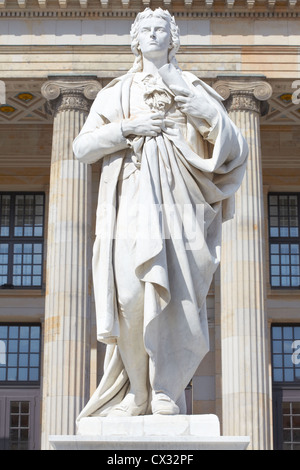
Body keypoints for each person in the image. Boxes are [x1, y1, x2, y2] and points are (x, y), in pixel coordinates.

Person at [73, 7, 248, 419]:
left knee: (180, 301)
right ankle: (137, 393)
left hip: (180, 202)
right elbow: (82, 149)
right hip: (132, 200)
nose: (153, 35)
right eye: (146, 30)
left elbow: (234, 147)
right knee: (130, 298)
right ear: (135, 39)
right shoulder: (115, 93)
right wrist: (128, 128)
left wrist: (197, 107)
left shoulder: (191, 85)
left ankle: (167, 389)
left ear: (173, 39)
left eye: (161, 30)